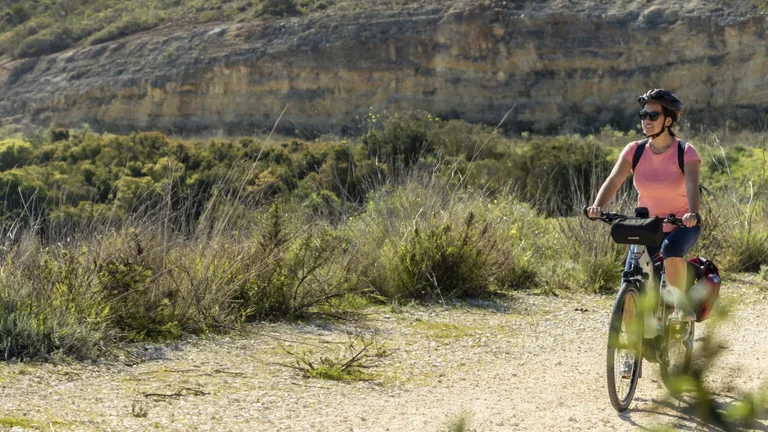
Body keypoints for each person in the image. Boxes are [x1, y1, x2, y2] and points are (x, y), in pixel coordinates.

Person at [587, 88, 702, 321]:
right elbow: (614, 180)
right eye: (643, 115)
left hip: (681, 224)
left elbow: (692, 185)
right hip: (647, 226)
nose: (646, 121)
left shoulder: (685, 152)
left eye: (653, 116)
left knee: (671, 249)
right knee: (631, 276)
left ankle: (680, 304)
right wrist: (597, 205)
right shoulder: (634, 150)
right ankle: (633, 338)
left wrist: (692, 213)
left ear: (668, 120)